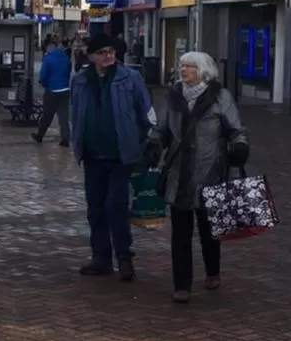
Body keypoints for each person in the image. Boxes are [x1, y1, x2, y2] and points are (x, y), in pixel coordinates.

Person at [157, 51, 248, 304]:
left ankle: (212, 271)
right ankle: (182, 285)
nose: (184, 71)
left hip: (210, 172)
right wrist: (153, 147)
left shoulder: (220, 97)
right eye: (182, 66)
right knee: (180, 233)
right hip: (179, 173)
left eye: (190, 67)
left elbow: (236, 130)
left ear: (204, 71)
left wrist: (240, 148)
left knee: (208, 230)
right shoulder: (174, 97)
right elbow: (162, 129)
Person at [69, 30, 154, 282]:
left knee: (116, 206)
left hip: (122, 154)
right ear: (91, 56)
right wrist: (77, 142)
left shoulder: (130, 78)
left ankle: (124, 257)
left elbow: (146, 112)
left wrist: (150, 141)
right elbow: (76, 112)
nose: (109, 56)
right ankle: (101, 257)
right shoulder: (81, 80)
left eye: (112, 51)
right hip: (93, 155)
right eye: (103, 52)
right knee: (95, 208)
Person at [32, 35, 71, 146]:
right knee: (64, 116)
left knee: (47, 115)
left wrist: (44, 84)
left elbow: (44, 75)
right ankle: (65, 138)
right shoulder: (65, 58)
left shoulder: (48, 58)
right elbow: (68, 72)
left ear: (49, 47)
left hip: (52, 90)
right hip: (65, 90)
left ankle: (40, 135)